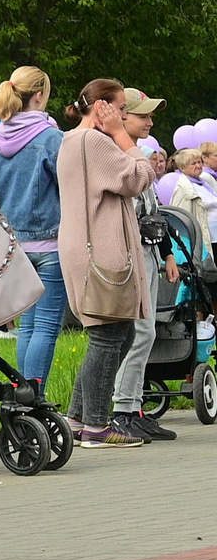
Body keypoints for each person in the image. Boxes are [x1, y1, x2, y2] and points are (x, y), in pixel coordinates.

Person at [60, 78, 153, 450]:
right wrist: (122, 136)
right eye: (121, 109)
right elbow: (139, 178)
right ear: (103, 107)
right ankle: (96, 426)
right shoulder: (94, 141)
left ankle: (79, 418)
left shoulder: (71, 139)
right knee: (108, 334)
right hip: (100, 248)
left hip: (87, 244)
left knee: (118, 333)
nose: (125, 116)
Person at [0, 68, 67, 382]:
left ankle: (22, 395)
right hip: (50, 244)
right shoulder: (51, 138)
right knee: (45, 327)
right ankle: (35, 400)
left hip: (15, 245)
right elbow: (68, 186)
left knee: (28, 327)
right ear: (40, 95)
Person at [112, 89, 174, 443]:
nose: (150, 122)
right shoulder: (120, 157)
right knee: (136, 332)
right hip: (130, 254)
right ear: (123, 117)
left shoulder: (140, 157)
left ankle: (133, 407)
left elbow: (154, 214)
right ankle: (122, 410)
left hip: (148, 251)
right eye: (143, 116)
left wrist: (166, 252)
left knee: (145, 332)